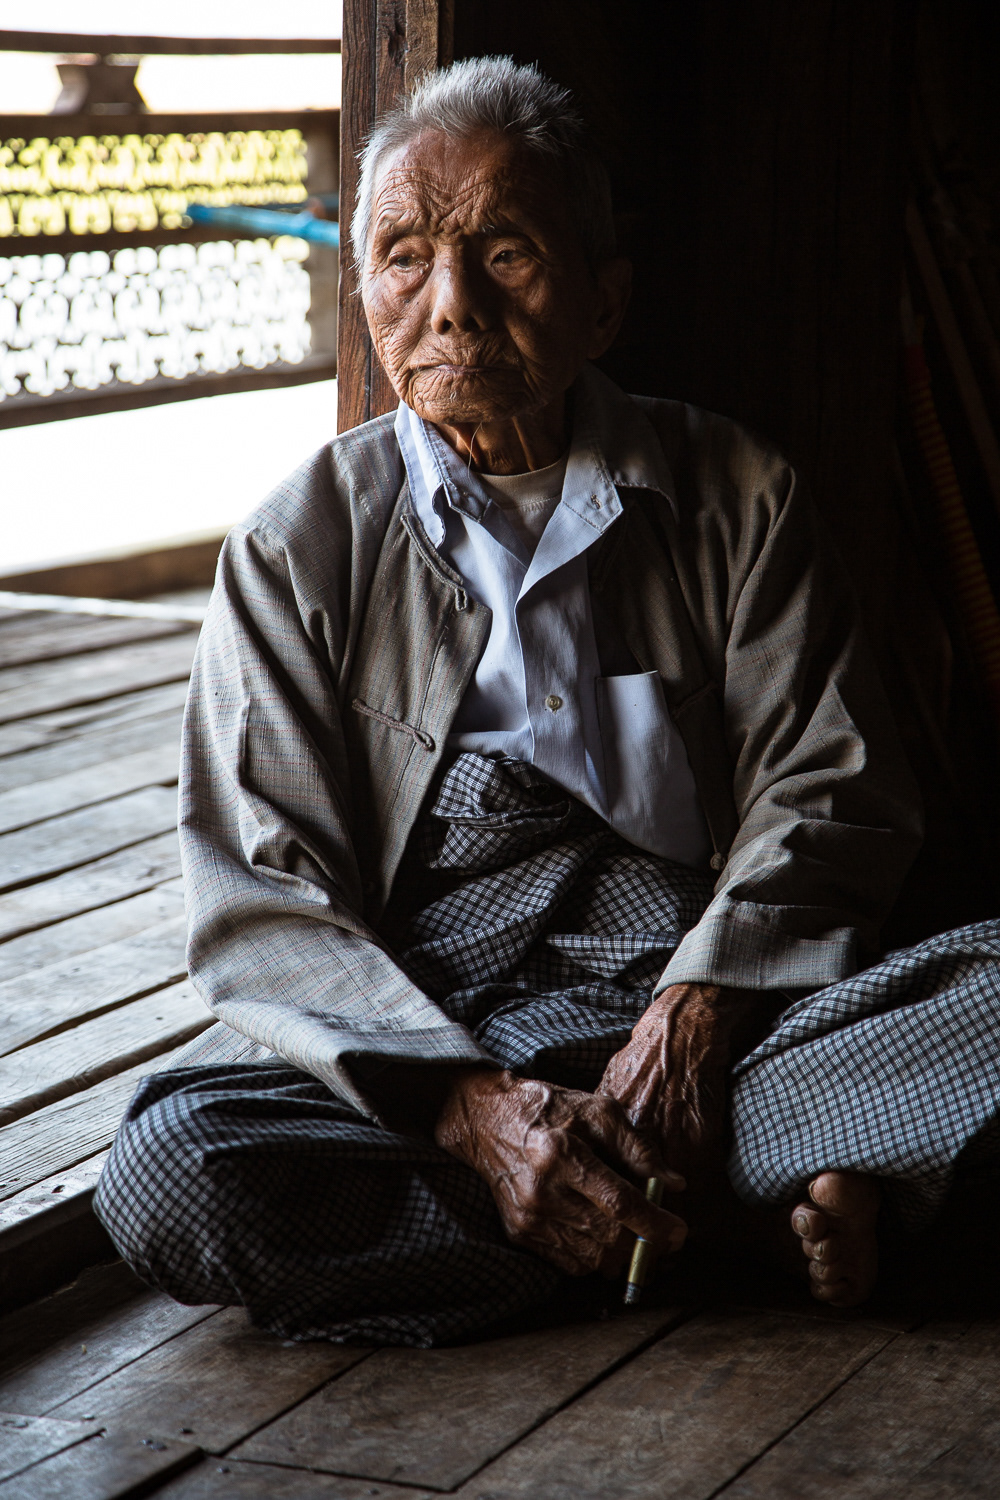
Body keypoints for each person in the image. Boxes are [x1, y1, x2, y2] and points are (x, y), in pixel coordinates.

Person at [95, 58, 999, 1347]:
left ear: (605, 301)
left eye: (505, 254)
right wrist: (473, 1110)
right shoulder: (299, 547)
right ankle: (725, 1224)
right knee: (171, 1169)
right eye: (403, 258)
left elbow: (831, 785)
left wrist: (693, 1018)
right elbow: (264, 896)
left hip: (713, 1019)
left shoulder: (736, 493)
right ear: (365, 299)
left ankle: (612, 1209)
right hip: (434, 1027)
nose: (449, 307)